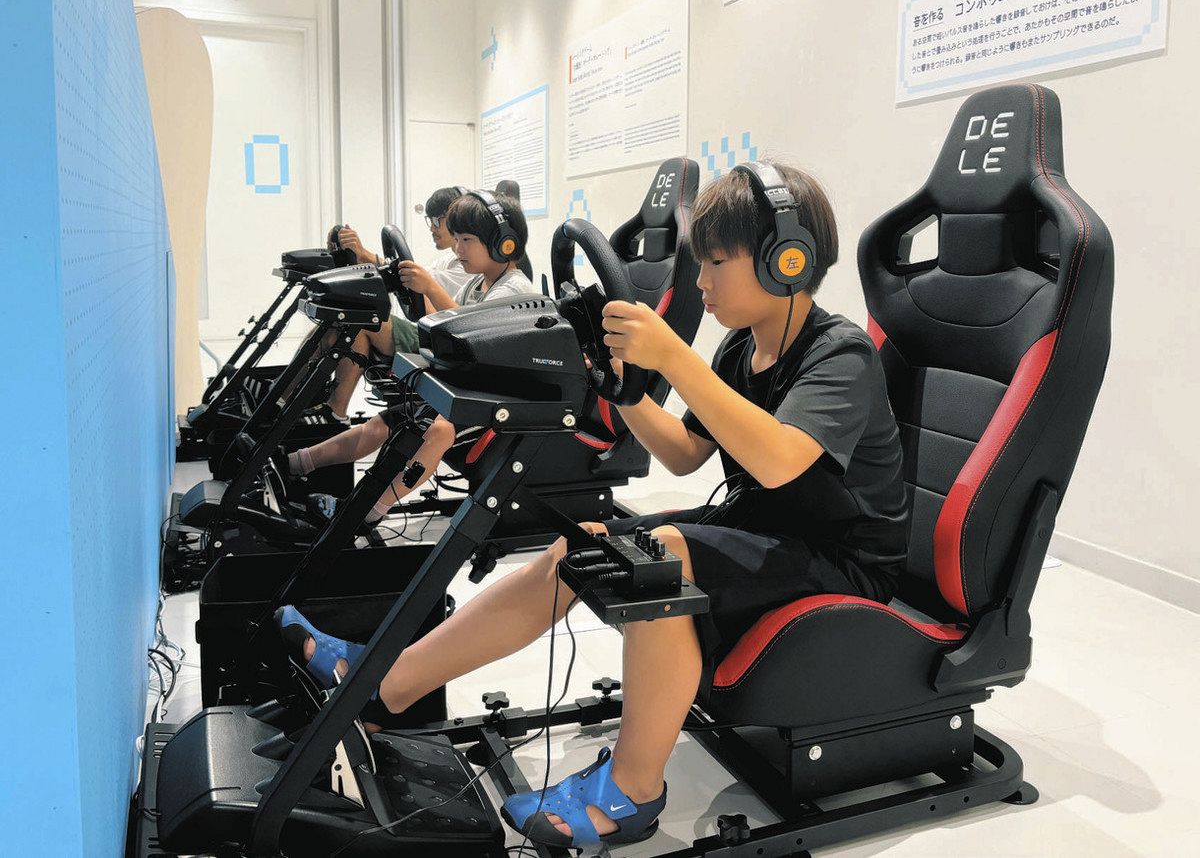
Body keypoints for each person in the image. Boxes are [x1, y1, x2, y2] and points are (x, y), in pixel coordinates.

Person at [277, 162, 908, 849]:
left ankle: (632, 792)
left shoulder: (840, 354)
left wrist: (672, 358)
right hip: (770, 531)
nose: (701, 282)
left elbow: (779, 460)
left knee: (661, 561)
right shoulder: (739, 350)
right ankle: (386, 684)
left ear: (788, 261)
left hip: (846, 561)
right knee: (583, 542)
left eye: (717, 263)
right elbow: (684, 454)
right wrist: (622, 386)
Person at [285, 190, 536, 526]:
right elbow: (444, 322)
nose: (458, 248)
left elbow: (472, 333)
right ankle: (294, 463)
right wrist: (419, 293)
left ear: (504, 244)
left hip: (496, 397)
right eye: (457, 239)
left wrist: (430, 287)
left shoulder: (514, 290)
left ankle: (368, 512)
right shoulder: (479, 283)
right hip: (465, 384)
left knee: (438, 430)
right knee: (383, 424)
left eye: (467, 240)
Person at [311, 187, 476, 422]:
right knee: (338, 324)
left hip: (441, 344)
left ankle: (332, 412)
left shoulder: (466, 267)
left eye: (436, 221)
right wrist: (357, 257)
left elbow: (417, 278)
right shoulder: (449, 260)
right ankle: (289, 399)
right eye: (429, 221)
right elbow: (412, 278)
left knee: (364, 323)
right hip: (433, 332)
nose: (432, 228)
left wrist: (364, 254)